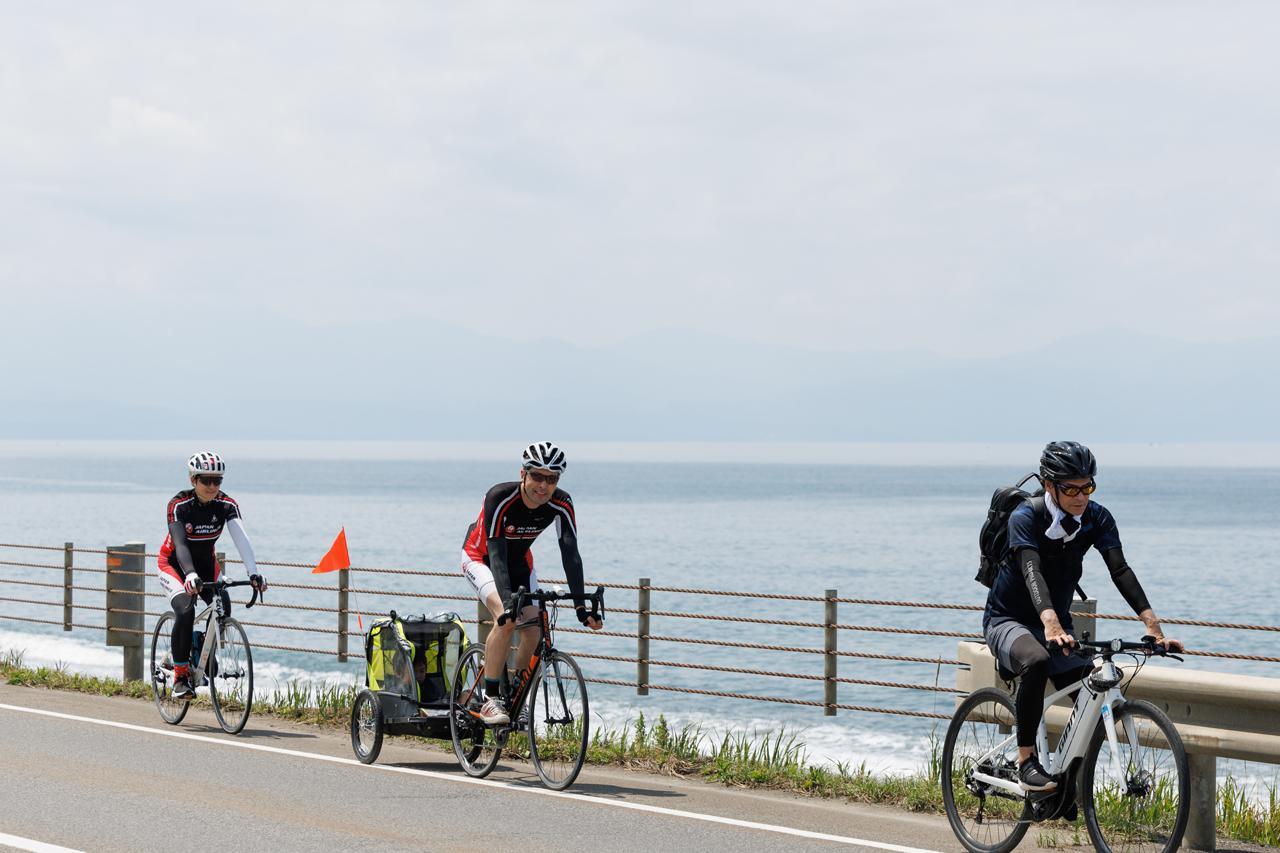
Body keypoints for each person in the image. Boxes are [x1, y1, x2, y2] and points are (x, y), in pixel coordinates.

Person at [982, 440, 1183, 792]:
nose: (1080, 496)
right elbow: (1032, 571)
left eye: (1087, 486)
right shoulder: (1025, 517)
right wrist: (1050, 622)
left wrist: (1153, 626)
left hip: (1059, 626)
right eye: (1070, 488)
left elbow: (1120, 570)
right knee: (1036, 659)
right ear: (1049, 486)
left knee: (1091, 695)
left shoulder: (1097, 518)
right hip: (1008, 620)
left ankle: (1066, 784)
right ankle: (1026, 760)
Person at [460, 441, 602, 725]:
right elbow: (497, 555)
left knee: (535, 628)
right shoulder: (500, 496)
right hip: (481, 558)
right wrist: (509, 603)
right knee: (506, 618)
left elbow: (570, 554)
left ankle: (514, 694)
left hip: (521, 563)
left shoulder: (561, 503)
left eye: (552, 479)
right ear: (523, 473)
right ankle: (490, 699)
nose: (543, 485)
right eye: (537, 475)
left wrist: (580, 608)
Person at [157, 452, 268, 699]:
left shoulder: (226, 504)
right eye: (206, 480)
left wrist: (254, 573)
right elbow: (180, 543)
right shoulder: (179, 505)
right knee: (186, 610)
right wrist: (189, 573)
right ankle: (180, 676)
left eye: (217, 481)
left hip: (207, 564)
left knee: (223, 607)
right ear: (193, 480)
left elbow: (241, 538)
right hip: (175, 564)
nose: (212, 486)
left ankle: (202, 652)